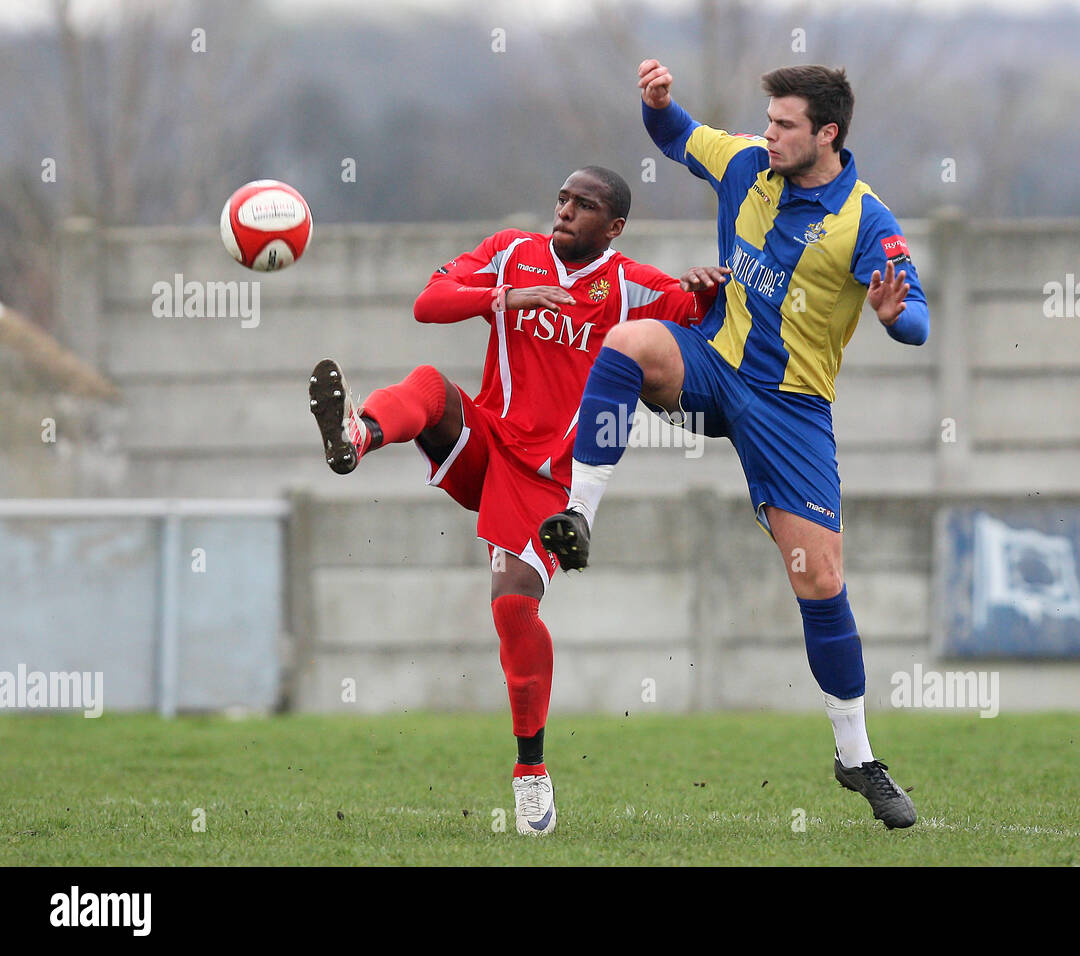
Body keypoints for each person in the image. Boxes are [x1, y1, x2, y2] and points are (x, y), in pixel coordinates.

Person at [539, 64, 929, 829]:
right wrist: (656, 103)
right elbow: (675, 136)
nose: (770, 132)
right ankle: (577, 514)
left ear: (828, 134)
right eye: (769, 119)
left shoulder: (866, 220)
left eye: (785, 124)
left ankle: (855, 758)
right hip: (714, 368)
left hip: (791, 410)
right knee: (627, 344)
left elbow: (916, 320)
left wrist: (891, 315)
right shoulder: (747, 160)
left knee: (819, 582)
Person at [309, 166, 724, 836]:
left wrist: (709, 293)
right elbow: (430, 301)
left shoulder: (635, 286)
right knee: (429, 384)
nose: (564, 210)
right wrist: (505, 297)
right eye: (561, 198)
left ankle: (531, 773)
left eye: (583, 205)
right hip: (487, 441)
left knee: (510, 608)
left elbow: (704, 329)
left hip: (550, 479)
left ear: (614, 227)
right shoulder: (511, 251)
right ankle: (357, 436)